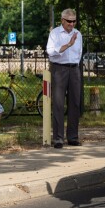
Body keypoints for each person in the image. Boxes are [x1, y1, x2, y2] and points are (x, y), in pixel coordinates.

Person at [46, 9, 83, 149]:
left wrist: (74, 66)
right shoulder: (55, 33)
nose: (71, 24)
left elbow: (79, 53)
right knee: (58, 104)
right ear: (62, 20)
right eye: (69, 21)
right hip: (59, 69)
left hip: (74, 69)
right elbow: (50, 52)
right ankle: (58, 138)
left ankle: (73, 137)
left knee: (75, 103)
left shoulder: (78, 34)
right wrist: (67, 45)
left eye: (74, 21)